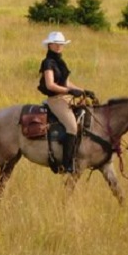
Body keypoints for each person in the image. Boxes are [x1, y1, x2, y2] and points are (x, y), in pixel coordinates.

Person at [37, 31, 94, 173]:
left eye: (61, 44)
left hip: (65, 97)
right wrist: (68, 92)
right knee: (72, 127)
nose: (59, 47)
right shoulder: (48, 63)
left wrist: (84, 91)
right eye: (56, 44)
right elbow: (50, 85)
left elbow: (66, 82)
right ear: (49, 45)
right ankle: (67, 164)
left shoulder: (60, 62)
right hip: (55, 100)